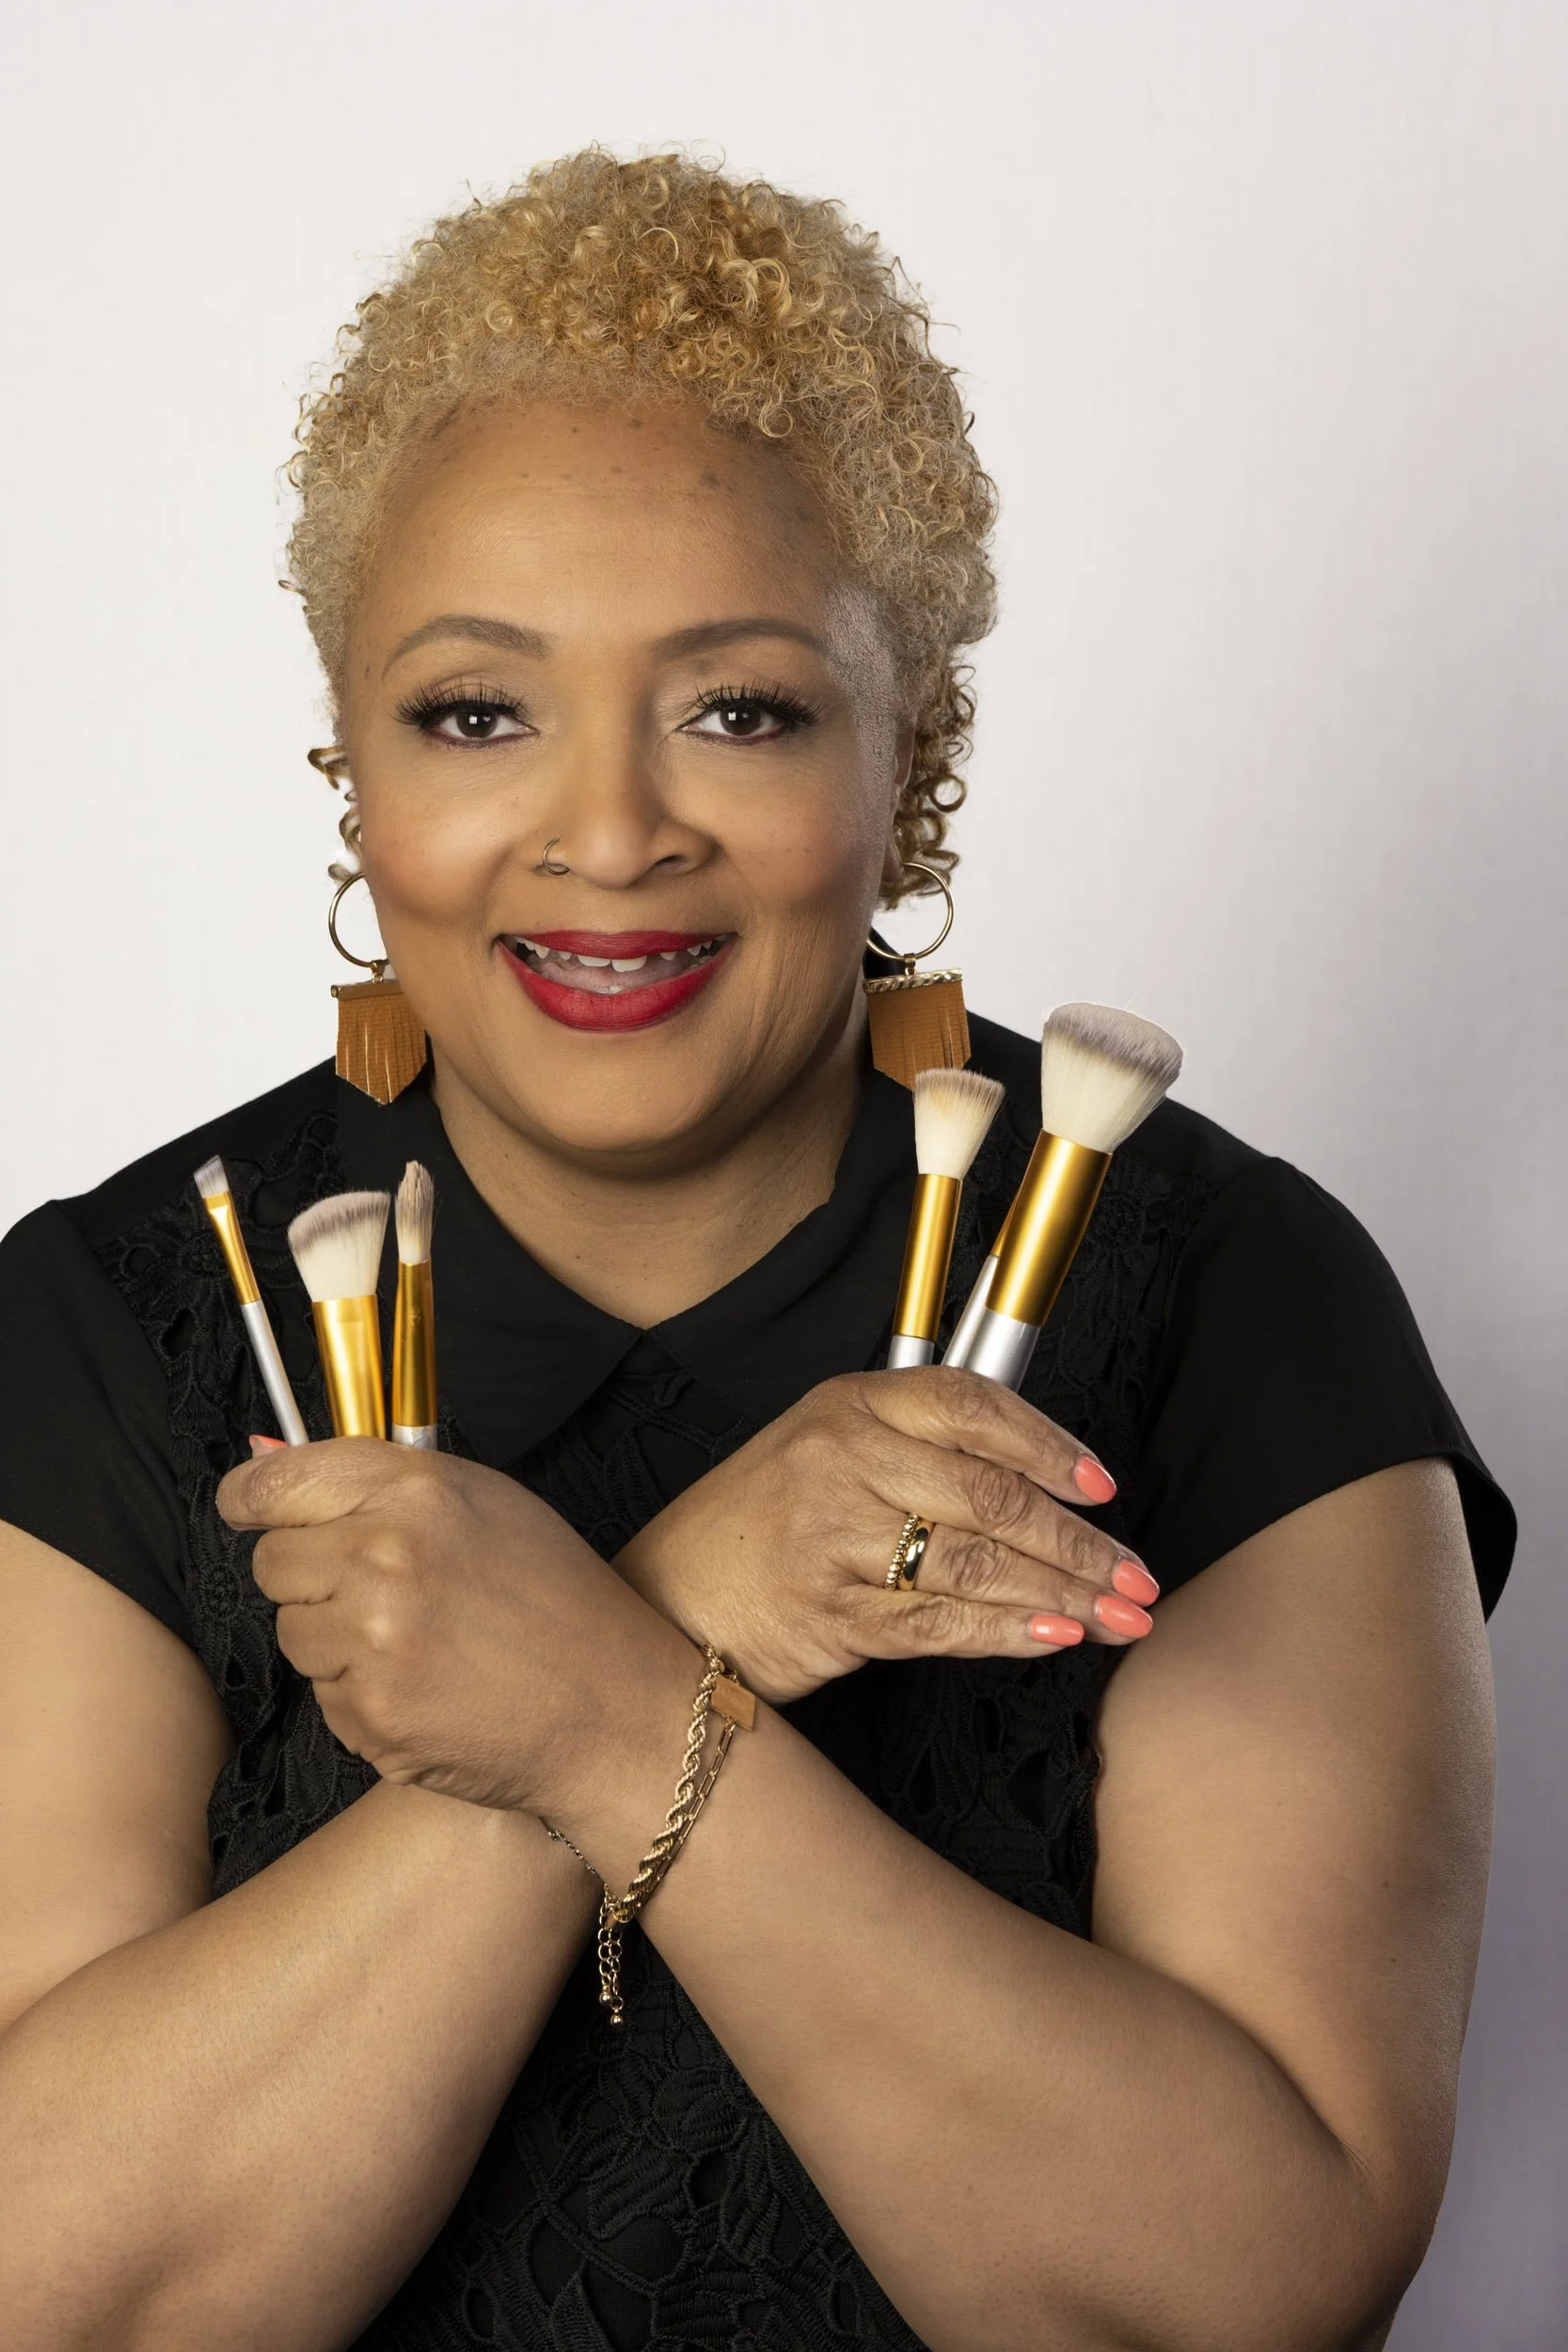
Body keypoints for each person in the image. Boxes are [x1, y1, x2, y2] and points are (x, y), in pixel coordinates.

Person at [0, 151, 1512, 2352]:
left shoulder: (1224, 1298)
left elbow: (1235, 2300)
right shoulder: (117, 1322)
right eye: (474, 710)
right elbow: (63, 2289)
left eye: (738, 706)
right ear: (351, 770)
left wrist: (609, 1709)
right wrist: (700, 1592)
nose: (609, 832)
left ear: (909, 765)